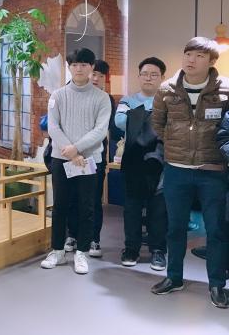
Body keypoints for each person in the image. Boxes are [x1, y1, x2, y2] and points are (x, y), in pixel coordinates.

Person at [151, 37, 229, 308]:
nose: (190, 60)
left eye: (199, 55)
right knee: (175, 228)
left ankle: (217, 284)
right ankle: (174, 277)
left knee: (216, 230)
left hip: (213, 171)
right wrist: (177, 147)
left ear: (211, 61)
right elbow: (157, 124)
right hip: (176, 170)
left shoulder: (225, 89)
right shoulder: (167, 89)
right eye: (188, 54)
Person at [41, 48, 111, 274]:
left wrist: (77, 149)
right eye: (74, 65)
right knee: (60, 205)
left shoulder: (101, 98)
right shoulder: (58, 95)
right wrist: (71, 153)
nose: (79, 69)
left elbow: (100, 130)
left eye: (83, 64)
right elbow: (53, 127)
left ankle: (81, 252)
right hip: (61, 159)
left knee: (87, 206)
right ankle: (57, 251)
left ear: (91, 67)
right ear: (69, 67)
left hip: (89, 160)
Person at [115, 57, 168, 271]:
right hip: (133, 160)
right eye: (145, 74)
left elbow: (173, 127)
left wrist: (140, 118)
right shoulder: (127, 100)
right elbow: (119, 122)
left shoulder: (168, 101)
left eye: (154, 74)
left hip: (160, 162)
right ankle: (131, 249)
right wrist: (153, 118)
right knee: (132, 209)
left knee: (159, 209)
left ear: (162, 78)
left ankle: (158, 250)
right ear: (138, 76)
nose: (149, 78)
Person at [65, 59, 116, 258]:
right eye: (94, 74)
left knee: (93, 199)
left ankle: (94, 239)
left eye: (101, 76)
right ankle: (72, 235)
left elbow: (102, 129)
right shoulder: (69, 92)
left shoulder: (106, 99)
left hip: (95, 156)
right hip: (71, 155)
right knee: (72, 196)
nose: (96, 78)